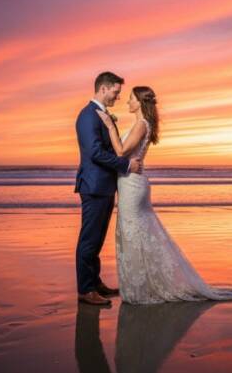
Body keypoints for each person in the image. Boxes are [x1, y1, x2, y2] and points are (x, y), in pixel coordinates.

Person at [97, 85, 232, 304]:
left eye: (130, 99)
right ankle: (143, 283)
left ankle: (143, 287)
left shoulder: (141, 124)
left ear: (139, 102)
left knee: (134, 234)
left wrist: (110, 125)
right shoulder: (142, 124)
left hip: (132, 186)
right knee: (136, 233)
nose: (127, 102)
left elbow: (121, 152)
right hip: (130, 183)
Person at [74, 71, 141, 306]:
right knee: (89, 239)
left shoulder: (100, 115)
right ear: (103, 88)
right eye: (115, 91)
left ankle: (95, 282)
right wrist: (126, 165)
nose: (118, 96)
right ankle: (85, 290)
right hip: (93, 186)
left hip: (104, 186)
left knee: (98, 239)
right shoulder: (88, 116)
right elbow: (95, 153)